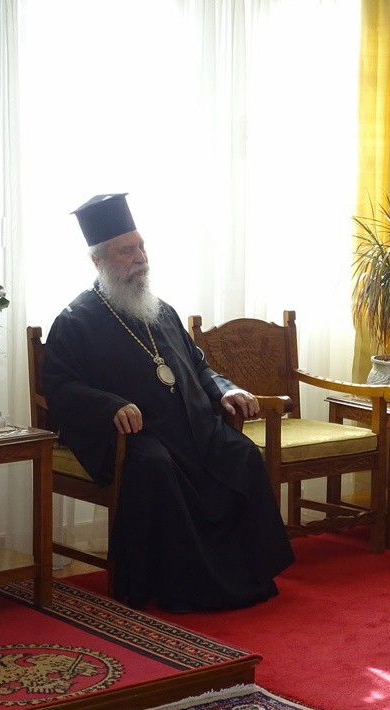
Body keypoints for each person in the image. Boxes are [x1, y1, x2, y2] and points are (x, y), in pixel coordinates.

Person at [42, 193, 294, 613]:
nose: (140, 258)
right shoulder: (75, 320)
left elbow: (199, 366)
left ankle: (248, 569)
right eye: (126, 251)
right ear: (97, 260)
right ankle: (177, 583)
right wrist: (110, 406)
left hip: (191, 425)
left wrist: (225, 389)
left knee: (242, 454)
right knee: (155, 466)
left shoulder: (162, 311)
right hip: (136, 435)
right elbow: (60, 386)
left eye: (141, 247)